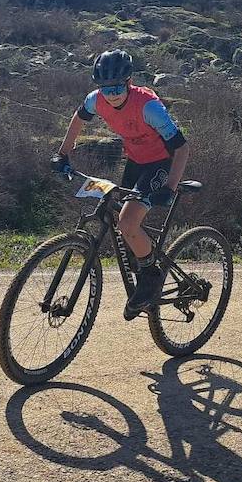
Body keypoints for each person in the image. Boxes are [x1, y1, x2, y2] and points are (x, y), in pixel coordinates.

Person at [52, 49, 191, 319]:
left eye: (117, 87)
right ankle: (142, 265)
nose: (112, 93)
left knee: (128, 223)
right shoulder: (96, 100)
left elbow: (182, 149)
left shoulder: (149, 107)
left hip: (161, 162)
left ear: (128, 82)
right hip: (136, 161)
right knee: (117, 216)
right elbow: (78, 118)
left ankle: (151, 275)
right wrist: (63, 153)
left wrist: (170, 188)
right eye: (106, 88)